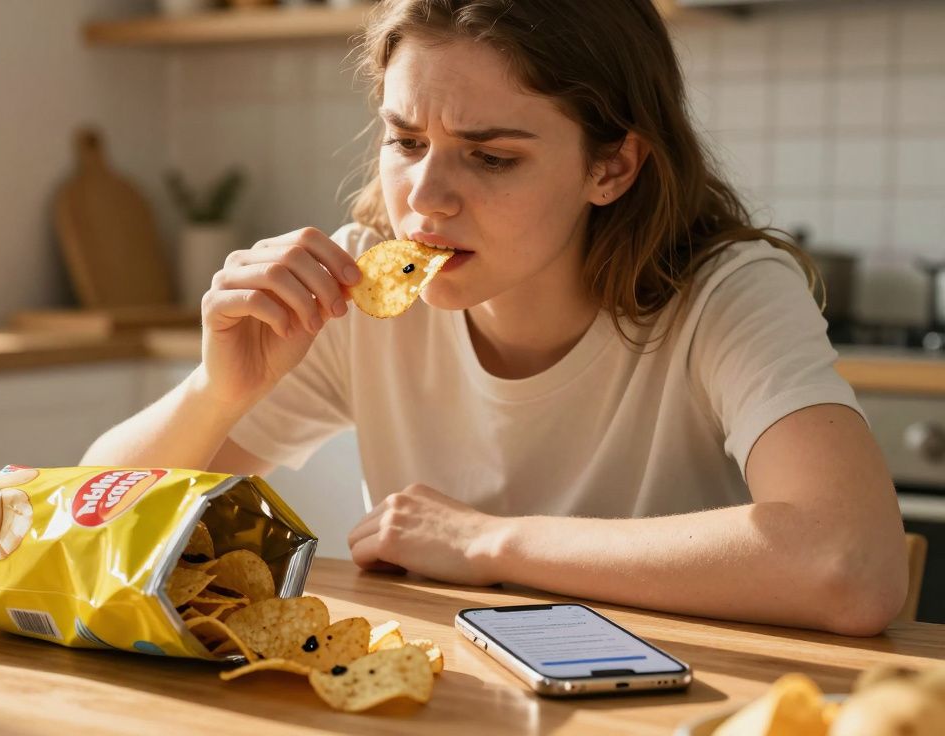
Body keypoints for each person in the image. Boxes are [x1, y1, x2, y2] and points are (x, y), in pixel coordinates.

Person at [84, 0, 907, 636]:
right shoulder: (356, 297)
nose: (426, 201)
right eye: (406, 141)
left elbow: (852, 564)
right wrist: (216, 391)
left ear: (613, 166)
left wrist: (486, 543)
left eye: (491, 157)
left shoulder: (725, 294)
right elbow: (89, 523)